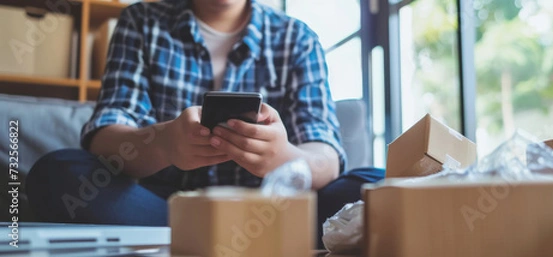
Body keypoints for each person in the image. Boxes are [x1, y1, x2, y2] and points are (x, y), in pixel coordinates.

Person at [26, 0, 384, 248]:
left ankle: (197, 240)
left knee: (377, 184)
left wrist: (284, 157)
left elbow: (327, 156)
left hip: (272, 211)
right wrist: (164, 143)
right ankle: (217, 237)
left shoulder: (298, 39)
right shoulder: (141, 22)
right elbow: (105, 136)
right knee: (57, 172)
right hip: (164, 207)